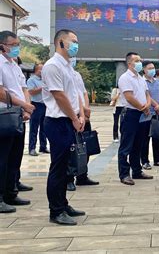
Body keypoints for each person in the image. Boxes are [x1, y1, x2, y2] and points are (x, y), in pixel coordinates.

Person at [42, 29, 86, 225]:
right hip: (58, 122)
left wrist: (81, 115)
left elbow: (75, 93)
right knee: (58, 168)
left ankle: (63, 203)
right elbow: (59, 96)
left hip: (70, 119)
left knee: (67, 168)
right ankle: (56, 211)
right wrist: (74, 118)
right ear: (61, 42)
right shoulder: (52, 66)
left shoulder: (68, 66)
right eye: (73, 41)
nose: (76, 45)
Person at [0, 31, 35, 213]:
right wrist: (23, 105)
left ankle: (10, 192)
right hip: (4, 115)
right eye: (13, 44)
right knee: (2, 158)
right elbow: (1, 92)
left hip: (18, 114)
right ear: (2, 45)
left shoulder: (14, 65)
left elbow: (23, 87)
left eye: (17, 44)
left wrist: (26, 106)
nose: (16, 48)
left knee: (15, 156)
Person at [117, 52, 153, 185]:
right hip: (130, 113)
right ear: (129, 63)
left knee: (138, 144)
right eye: (137, 60)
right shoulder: (125, 78)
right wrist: (143, 108)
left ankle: (137, 171)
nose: (140, 63)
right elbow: (129, 97)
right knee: (126, 145)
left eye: (140, 60)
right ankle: (124, 174)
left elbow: (147, 94)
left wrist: (148, 105)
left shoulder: (141, 78)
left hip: (141, 113)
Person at [66, 57, 99, 191]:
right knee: (71, 149)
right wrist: (78, 114)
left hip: (82, 115)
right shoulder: (61, 72)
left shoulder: (77, 74)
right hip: (71, 115)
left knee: (85, 147)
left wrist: (85, 110)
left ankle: (82, 175)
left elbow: (83, 93)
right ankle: (68, 178)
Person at [141, 61, 159, 169]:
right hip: (147, 113)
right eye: (149, 68)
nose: (152, 70)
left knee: (157, 136)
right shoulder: (142, 81)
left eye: (153, 68)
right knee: (145, 138)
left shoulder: (157, 81)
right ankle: (145, 161)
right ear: (144, 70)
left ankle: (157, 159)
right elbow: (147, 96)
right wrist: (156, 105)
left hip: (158, 112)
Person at [27, 63, 49, 156]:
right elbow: (31, 91)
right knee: (34, 127)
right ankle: (32, 148)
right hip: (36, 105)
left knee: (44, 127)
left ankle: (43, 147)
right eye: (41, 69)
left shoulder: (44, 80)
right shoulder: (31, 80)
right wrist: (42, 88)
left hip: (45, 105)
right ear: (37, 70)